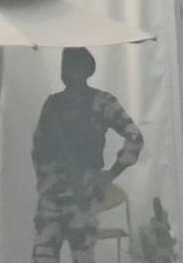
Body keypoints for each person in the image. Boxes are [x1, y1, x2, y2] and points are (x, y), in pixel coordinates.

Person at [29, 48, 142, 263]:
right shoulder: (53, 105)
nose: (71, 72)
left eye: (76, 66)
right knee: (42, 256)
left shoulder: (102, 102)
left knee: (82, 257)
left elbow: (135, 138)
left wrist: (111, 174)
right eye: (68, 66)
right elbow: (38, 147)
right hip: (52, 196)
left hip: (83, 195)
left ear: (87, 69)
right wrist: (45, 180)